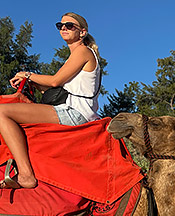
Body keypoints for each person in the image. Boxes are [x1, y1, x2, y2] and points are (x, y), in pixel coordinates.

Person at [0, 12, 101, 189]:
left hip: (74, 113)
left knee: (1, 112)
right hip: (74, 109)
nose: (64, 28)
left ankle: (25, 175)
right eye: (60, 25)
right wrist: (32, 82)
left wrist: (28, 74)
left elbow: (55, 81)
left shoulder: (83, 51)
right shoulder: (76, 55)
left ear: (82, 32)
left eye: (70, 26)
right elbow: (56, 89)